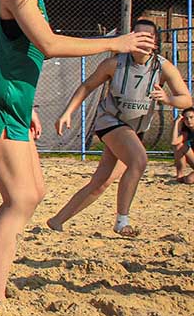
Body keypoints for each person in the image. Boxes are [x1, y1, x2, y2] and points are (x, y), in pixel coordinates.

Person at [0, 0, 154, 302]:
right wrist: (115, 43)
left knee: (35, 191)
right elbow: (49, 45)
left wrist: (28, 104)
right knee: (20, 199)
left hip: (12, 104)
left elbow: (24, 51)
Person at [47, 19, 192, 236]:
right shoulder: (114, 64)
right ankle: (122, 222)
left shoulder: (163, 67)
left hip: (135, 129)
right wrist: (67, 112)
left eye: (148, 36)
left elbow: (186, 100)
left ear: (155, 42)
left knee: (101, 182)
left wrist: (168, 99)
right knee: (139, 160)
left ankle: (57, 220)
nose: (142, 40)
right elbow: (87, 86)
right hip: (111, 122)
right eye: (138, 34)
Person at [172, 106, 194, 184]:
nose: (189, 120)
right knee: (179, 146)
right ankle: (180, 174)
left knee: (189, 180)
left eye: (191, 117)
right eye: (186, 118)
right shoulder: (187, 133)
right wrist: (176, 122)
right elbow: (174, 142)